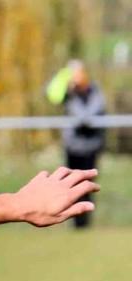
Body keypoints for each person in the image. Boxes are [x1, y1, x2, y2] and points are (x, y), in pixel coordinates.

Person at [47, 60, 106, 229]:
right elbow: (50, 94)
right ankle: (76, 222)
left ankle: (85, 222)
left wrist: (75, 102)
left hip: (91, 147)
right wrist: (66, 88)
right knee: (72, 186)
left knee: (88, 186)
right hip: (73, 147)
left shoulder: (95, 91)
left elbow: (89, 114)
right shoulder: (68, 94)